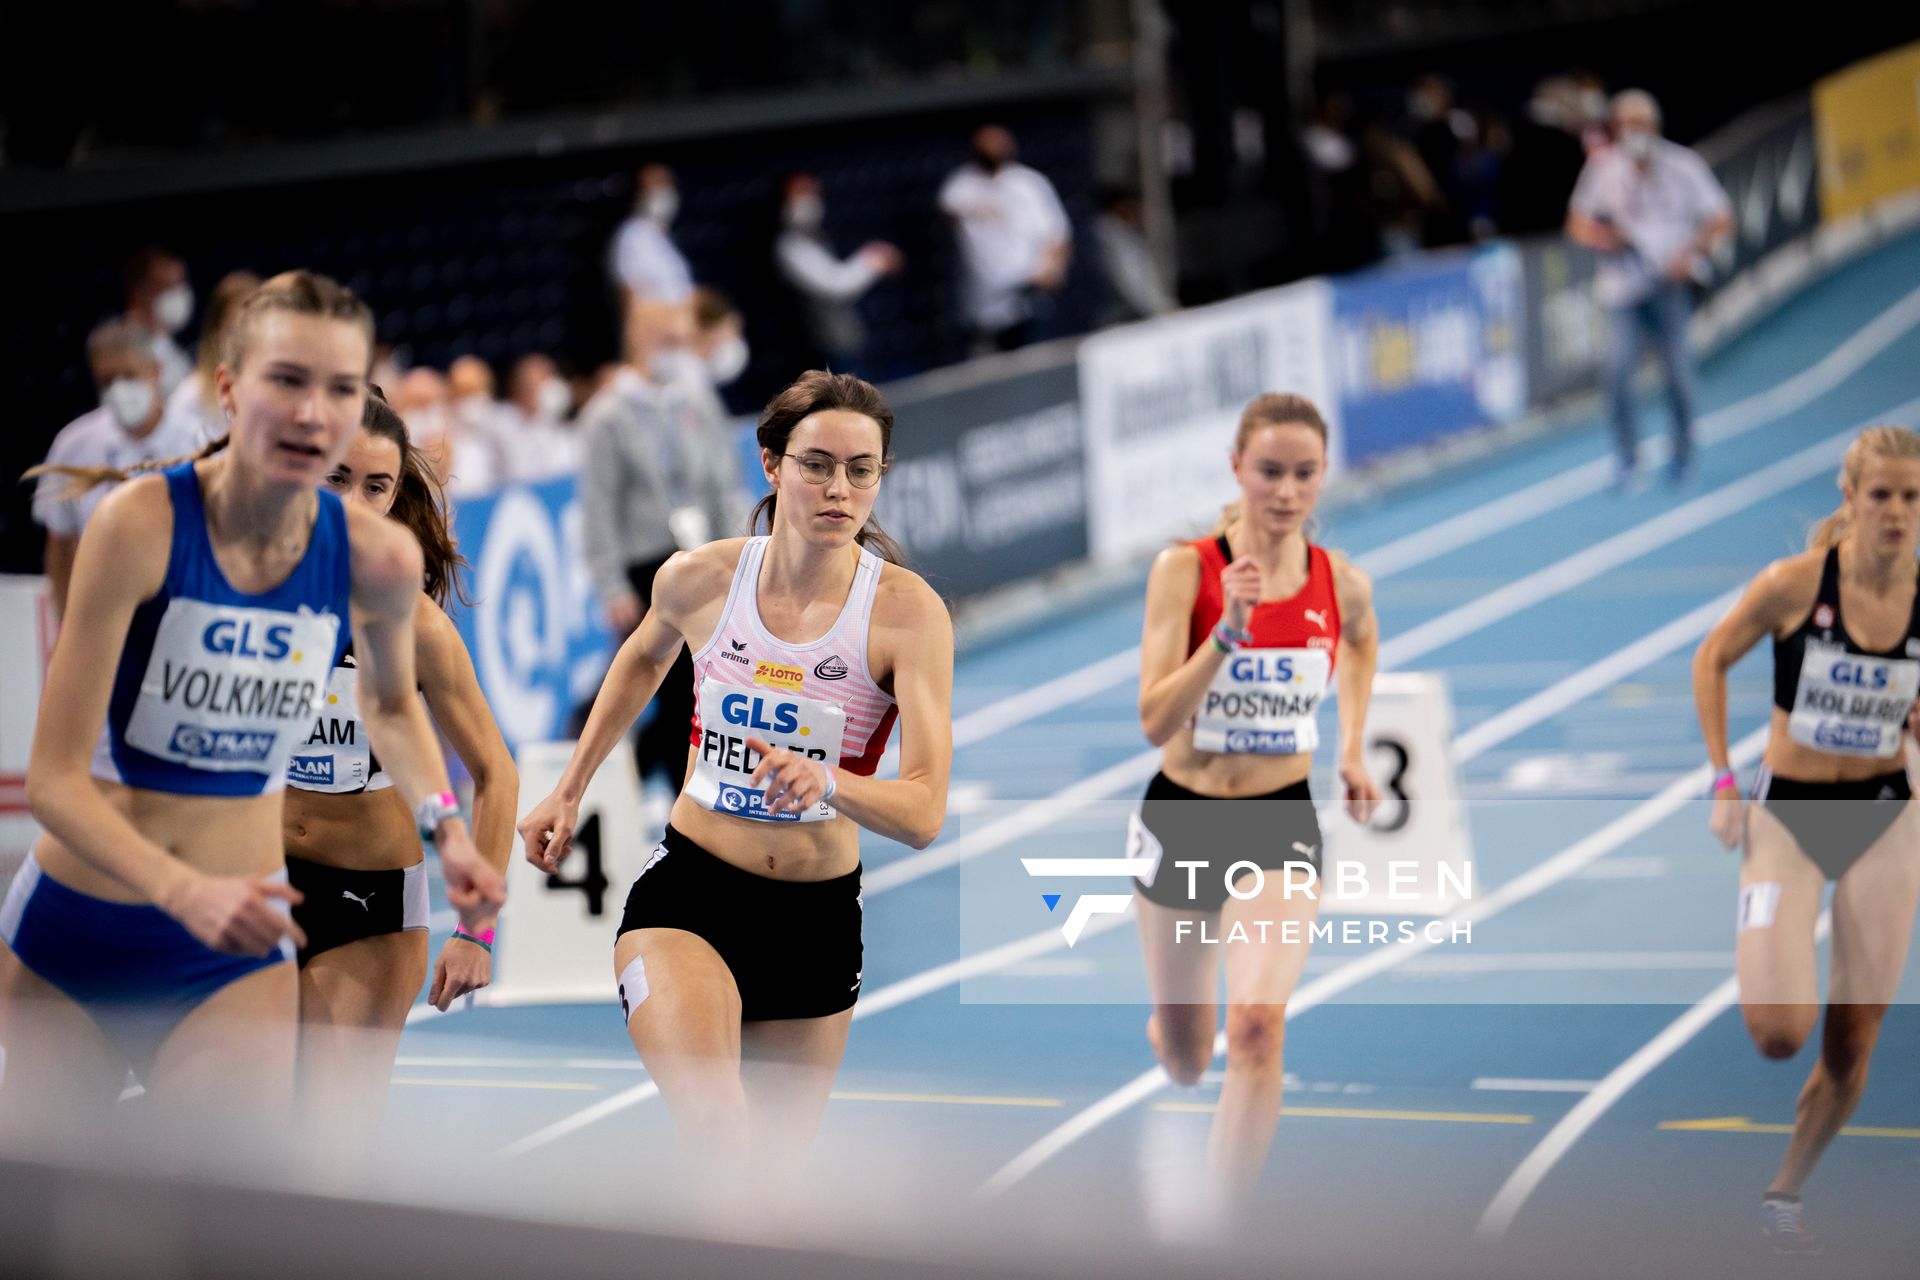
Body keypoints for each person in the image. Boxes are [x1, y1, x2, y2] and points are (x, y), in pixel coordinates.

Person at [0, 271, 505, 1154]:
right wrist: (183, 891)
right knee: (52, 1204)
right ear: (229, 389)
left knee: (249, 1195)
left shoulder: (380, 564)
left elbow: (391, 709)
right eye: (289, 381)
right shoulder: (140, 525)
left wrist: (448, 829)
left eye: (340, 388)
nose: (315, 413)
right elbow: (54, 783)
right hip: (86, 919)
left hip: (235, 944)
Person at [519, 370, 952, 1192]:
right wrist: (570, 787)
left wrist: (829, 782)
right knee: (718, 1127)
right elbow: (640, 660)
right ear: (771, 464)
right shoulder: (700, 578)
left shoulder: (906, 613)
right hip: (692, 895)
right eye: (816, 464)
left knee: (769, 1190)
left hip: (817, 921)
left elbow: (925, 811)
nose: (839, 488)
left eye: (861, 470)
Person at [1130, 392, 1380, 1212]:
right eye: (1270, 471)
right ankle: (1173, 1030)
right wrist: (1226, 633)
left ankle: (1223, 1227)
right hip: (1181, 816)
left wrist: (1351, 748)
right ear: (1237, 468)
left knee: (1257, 1028)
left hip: (1279, 823)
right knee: (1186, 1060)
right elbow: (1153, 719)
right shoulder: (1186, 570)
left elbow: (1361, 641)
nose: (1286, 491)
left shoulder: (1340, 581)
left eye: (1305, 474)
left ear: (1324, 474)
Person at [1691, 425, 1920, 1254]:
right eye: (1881, 495)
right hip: (1788, 815)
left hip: (1885, 815)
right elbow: (1711, 659)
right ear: (1849, 497)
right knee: (1779, 1031)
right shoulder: (1793, 585)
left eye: (1912, 497)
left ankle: (1783, 1196)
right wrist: (1723, 780)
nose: (1896, 512)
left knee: (1853, 1043)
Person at [287, 390, 518, 1148]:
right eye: (336, 479)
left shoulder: (415, 622)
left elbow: (496, 773)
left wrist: (476, 933)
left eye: (376, 486)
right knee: (236, 1138)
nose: (354, 504)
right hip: (250, 879)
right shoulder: (242, 587)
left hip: (366, 902)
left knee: (328, 1155)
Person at [579, 299, 741, 793]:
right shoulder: (606, 415)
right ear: (637, 340)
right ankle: (675, 794)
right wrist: (611, 586)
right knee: (669, 686)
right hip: (646, 564)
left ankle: (644, 774)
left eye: (679, 341)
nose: (673, 350)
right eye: (664, 340)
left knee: (699, 685)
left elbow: (723, 482)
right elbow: (598, 507)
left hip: (701, 557)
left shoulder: (696, 402)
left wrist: (738, 553)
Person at [1566, 88, 1732, 490]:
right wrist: (1607, 239)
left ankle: (1682, 457)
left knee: (1678, 376)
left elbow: (1721, 218)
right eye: (1623, 124)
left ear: (1654, 126)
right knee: (1617, 373)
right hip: (1623, 290)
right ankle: (1628, 459)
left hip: (1669, 287)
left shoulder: (1683, 165)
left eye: (1638, 123)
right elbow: (1577, 223)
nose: (1631, 131)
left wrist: (1690, 252)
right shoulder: (1604, 169)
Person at [33, 319, 209, 618]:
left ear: (155, 371)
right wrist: (67, 619)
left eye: (129, 375)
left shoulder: (199, 441)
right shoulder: (73, 445)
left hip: (181, 605)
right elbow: (60, 542)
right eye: (107, 381)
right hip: (103, 608)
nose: (119, 389)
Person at [938, 124, 1071, 354]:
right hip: (982, 301)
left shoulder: (1028, 183)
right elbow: (948, 209)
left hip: (1025, 293)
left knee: (1031, 359)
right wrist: (981, 209)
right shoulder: (962, 184)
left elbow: (1056, 233)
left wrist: (1052, 267)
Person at [773, 171, 903, 371]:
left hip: (848, 336)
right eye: (800, 193)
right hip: (826, 341)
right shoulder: (789, 245)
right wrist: (874, 258)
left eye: (812, 192)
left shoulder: (815, 235)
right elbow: (835, 285)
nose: (808, 199)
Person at [163, 270, 265, 446]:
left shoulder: (278, 391)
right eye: (234, 327)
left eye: (255, 325)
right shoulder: (189, 397)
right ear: (215, 333)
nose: (246, 337)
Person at [610, 163, 695, 307]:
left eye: (666, 183)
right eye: (654, 185)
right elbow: (631, 303)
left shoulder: (660, 237)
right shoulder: (633, 236)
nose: (663, 191)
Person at [1091, 186, 1175, 327]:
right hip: (1120, 318)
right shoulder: (1112, 235)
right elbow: (1132, 275)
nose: (1139, 213)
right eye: (1133, 207)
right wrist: (1163, 308)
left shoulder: (1119, 233)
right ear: (1120, 207)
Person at [495, 353, 582, 483]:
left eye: (552, 378)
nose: (551, 387)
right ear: (521, 388)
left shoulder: (564, 425)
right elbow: (518, 474)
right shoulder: (502, 421)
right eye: (541, 381)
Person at [121, 246, 195, 396]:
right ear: (142, 291)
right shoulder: (122, 344)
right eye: (170, 286)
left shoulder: (166, 340)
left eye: (181, 284)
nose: (179, 294)